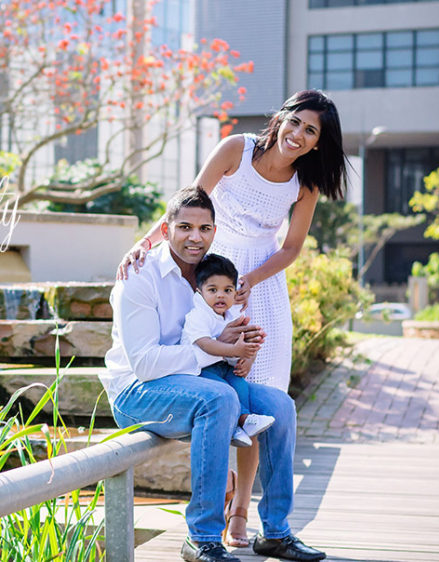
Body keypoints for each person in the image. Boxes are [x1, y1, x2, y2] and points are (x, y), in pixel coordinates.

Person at [118, 89, 348, 548]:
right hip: (214, 268)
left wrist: (252, 280)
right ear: (281, 117)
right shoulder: (235, 150)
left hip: (259, 282)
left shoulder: (305, 183)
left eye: (311, 131)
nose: (299, 135)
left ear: (319, 142)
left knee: (267, 404)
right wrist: (143, 245)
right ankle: (214, 511)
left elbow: (291, 247)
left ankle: (247, 514)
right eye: (296, 122)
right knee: (219, 390)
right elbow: (188, 209)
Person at [101, 186, 326, 562]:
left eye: (204, 228)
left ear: (214, 232)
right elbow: (144, 364)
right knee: (220, 400)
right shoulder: (139, 275)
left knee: (280, 406)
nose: (195, 237)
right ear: (166, 229)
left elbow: (229, 334)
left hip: (203, 381)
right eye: (185, 227)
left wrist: (242, 350)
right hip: (137, 391)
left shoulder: (216, 275)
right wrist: (214, 348)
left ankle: (275, 532)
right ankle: (202, 538)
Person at [182, 253, 275, 449]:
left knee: (239, 383)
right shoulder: (198, 315)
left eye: (227, 290)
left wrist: (248, 359)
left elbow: (247, 341)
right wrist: (234, 350)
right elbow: (205, 344)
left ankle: (243, 422)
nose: (220, 295)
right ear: (199, 292)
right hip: (199, 371)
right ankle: (236, 424)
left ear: (235, 293)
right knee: (224, 391)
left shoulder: (233, 315)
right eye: (212, 290)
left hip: (223, 367)